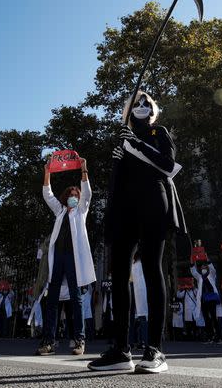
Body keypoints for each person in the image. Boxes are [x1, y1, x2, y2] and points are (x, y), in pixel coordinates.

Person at [88, 92, 186, 373]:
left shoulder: (158, 132)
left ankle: (155, 350)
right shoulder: (123, 136)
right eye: (137, 104)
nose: (142, 106)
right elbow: (117, 180)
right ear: (128, 111)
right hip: (124, 209)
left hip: (154, 202)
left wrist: (137, 144)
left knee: (153, 268)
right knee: (119, 274)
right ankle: (121, 350)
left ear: (152, 110)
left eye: (147, 103)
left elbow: (168, 165)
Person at [36, 157, 95, 356]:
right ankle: (48, 342)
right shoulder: (60, 211)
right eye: (70, 194)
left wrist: (84, 170)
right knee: (51, 301)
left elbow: (87, 193)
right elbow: (47, 194)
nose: (73, 196)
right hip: (58, 258)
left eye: (75, 194)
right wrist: (47, 172)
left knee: (76, 298)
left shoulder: (81, 212)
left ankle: (79, 340)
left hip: (73, 259)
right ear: (65, 197)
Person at [190, 259, 222, 344]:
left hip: (212, 300)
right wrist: (191, 262)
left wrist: (208, 259)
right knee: (206, 319)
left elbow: (213, 269)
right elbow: (193, 272)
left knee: (214, 318)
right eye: (202, 267)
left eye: (205, 266)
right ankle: (210, 336)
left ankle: (218, 337)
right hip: (203, 300)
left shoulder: (211, 275)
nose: (203, 268)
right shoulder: (199, 277)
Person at [130, 252, 149, 350]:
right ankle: (142, 342)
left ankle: (143, 342)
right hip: (135, 289)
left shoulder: (137, 263)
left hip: (138, 289)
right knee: (139, 318)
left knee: (140, 317)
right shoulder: (138, 263)